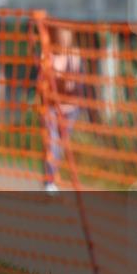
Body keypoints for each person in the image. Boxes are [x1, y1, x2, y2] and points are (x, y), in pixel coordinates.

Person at [42, 26, 84, 194]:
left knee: (60, 145)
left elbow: (78, 82)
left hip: (71, 108)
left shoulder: (76, 54)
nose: (64, 39)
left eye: (67, 35)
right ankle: (50, 180)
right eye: (61, 35)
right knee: (53, 143)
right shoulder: (48, 55)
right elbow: (43, 80)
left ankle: (52, 175)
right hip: (52, 108)